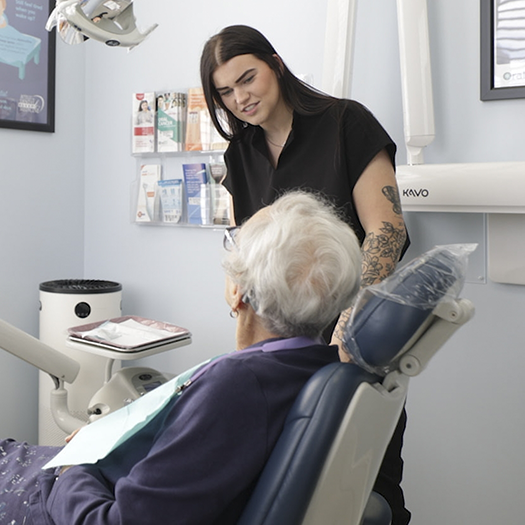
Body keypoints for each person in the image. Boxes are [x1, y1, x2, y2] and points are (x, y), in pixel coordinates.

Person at [0, 191, 362, 525]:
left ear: (239, 293)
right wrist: (106, 439)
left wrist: (74, 466)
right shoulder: (313, 367)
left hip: (56, 502)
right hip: (96, 474)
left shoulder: (239, 386)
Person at [200, 25, 411, 524]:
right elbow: (248, 239)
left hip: (354, 336)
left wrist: (349, 324)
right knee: (272, 479)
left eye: (247, 79)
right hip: (279, 343)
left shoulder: (344, 124)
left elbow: (387, 229)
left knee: (361, 486)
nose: (240, 98)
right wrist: (236, 275)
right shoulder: (242, 153)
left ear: (275, 63)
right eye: (225, 92)